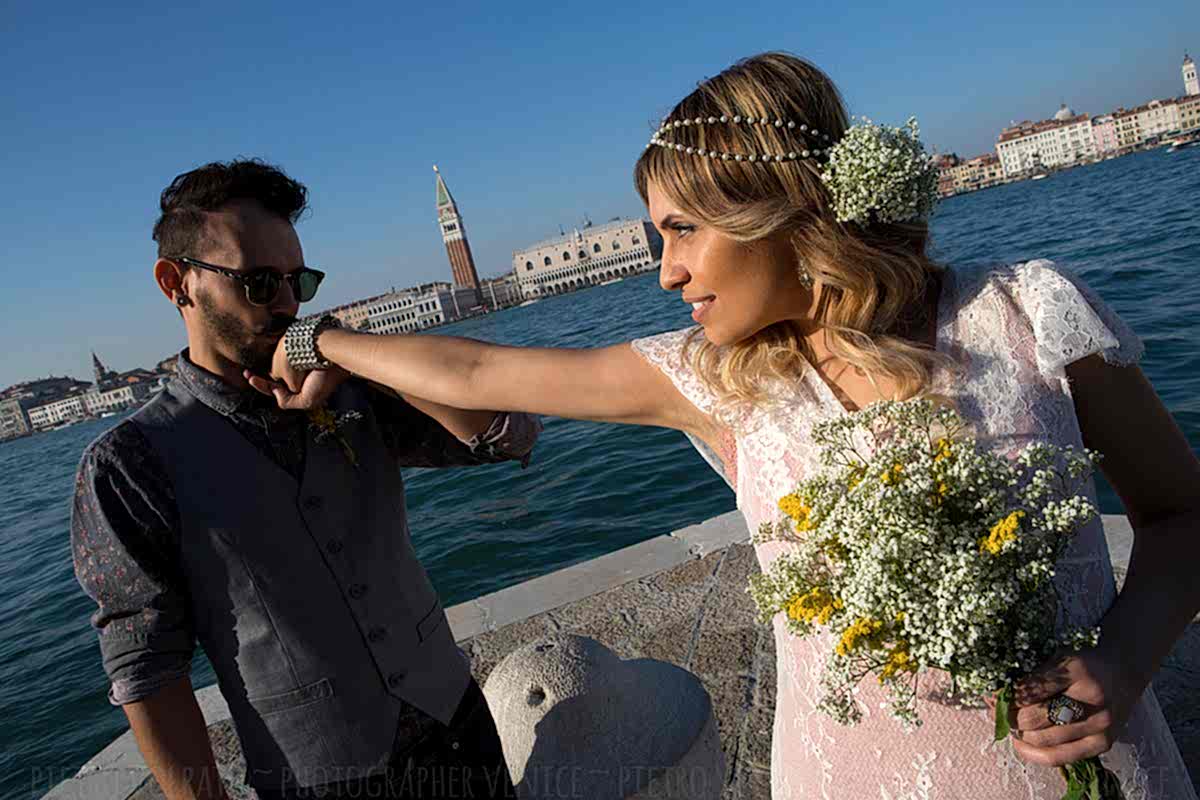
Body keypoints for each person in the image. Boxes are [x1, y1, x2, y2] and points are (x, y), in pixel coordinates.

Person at [254, 53, 1200, 798]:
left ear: (779, 208)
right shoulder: (713, 382)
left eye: (680, 230)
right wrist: (316, 336)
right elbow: (474, 369)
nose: (664, 271)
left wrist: (1123, 659)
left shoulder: (1028, 316)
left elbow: (1180, 518)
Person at [71, 159, 539, 800]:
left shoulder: (359, 391)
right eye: (260, 282)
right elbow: (147, 668)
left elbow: (507, 434)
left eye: (300, 281)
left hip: (458, 730)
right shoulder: (129, 465)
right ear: (176, 284)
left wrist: (349, 351)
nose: (289, 304)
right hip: (319, 781)